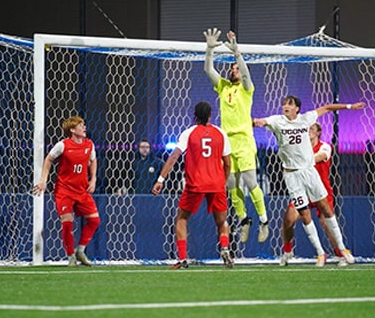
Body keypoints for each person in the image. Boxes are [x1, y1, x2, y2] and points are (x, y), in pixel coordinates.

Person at [253, 96, 363, 266]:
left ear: (297, 108)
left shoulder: (307, 121)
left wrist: (349, 105)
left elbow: (326, 108)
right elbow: (261, 121)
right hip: (292, 176)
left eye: (289, 104)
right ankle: (318, 253)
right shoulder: (277, 121)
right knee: (299, 216)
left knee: (326, 213)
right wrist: (255, 122)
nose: (285, 106)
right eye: (283, 104)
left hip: (310, 174)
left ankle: (342, 250)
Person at [203, 28, 269, 244]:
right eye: (232, 69)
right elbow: (208, 70)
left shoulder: (247, 88)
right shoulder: (223, 87)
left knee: (250, 182)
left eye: (236, 69)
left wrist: (237, 53)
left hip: (244, 141)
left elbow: (247, 74)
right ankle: (244, 220)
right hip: (227, 143)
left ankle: (264, 220)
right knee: (231, 184)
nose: (234, 71)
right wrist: (210, 49)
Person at [151, 101, 233, 269]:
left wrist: (160, 180)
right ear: (211, 115)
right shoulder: (221, 134)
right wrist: (222, 181)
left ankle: (182, 258)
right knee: (222, 221)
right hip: (216, 183)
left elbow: (174, 156)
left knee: (181, 219)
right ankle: (224, 248)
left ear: (195, 116)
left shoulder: (189, 133)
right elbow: (228, 163)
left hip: (195, 184)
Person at [279, 122, 354, 267]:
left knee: (326, 222)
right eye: (306, 129)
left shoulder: (325, 147)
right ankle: (288, 252)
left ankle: (341, 254)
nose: (308, 131)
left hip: (321, 190)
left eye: (312, 129)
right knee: (288, 220)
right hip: (302, 190)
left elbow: (319, 157)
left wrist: (296, 160)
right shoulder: (300, 149)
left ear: (318, 132)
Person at [32, 116, 101, 267]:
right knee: (67, 224)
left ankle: (80, 250)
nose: (84, 127)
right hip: (64, 191)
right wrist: (43, 180)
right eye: (80, 125)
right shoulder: (62, 145)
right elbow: (49, 159)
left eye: (84, 124)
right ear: (72, 130)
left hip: (82, 190)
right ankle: (71, 258)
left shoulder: (89, 144)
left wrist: (93, 178)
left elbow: (93, 160)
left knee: (95, 220)